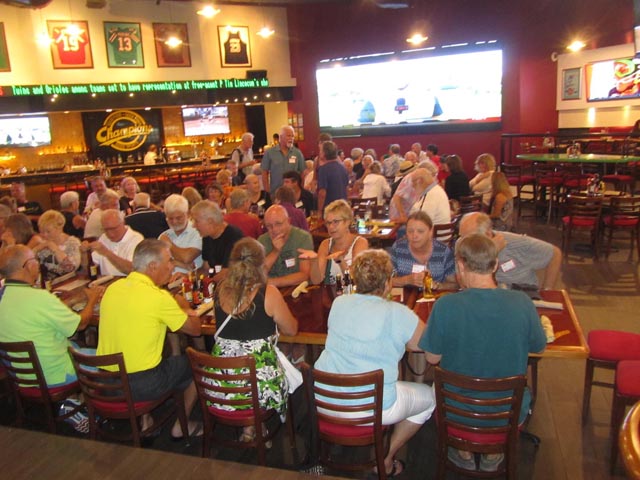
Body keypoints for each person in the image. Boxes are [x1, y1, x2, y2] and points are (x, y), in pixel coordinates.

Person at [420, 233, 546, 472]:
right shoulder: (522, 303)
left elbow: (431, 358)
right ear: (496, 264)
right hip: (506, 416)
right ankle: (494, 451)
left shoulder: (445, 305)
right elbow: (538, 347)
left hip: (455, 415)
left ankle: (463, 450)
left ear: (460, 265)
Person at [314, 249, 435, 477]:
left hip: (324, 399)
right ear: (388, 282)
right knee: (430, 398)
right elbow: (428, 345)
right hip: (373, 406)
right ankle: (385, 460)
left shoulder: (339, 303)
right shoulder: (398, 313)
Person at [97, 239, 202, 439]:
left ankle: (146, 419)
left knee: (146, 355)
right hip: (141, 385)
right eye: (169, 261)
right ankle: (181, 425)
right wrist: (183, 304)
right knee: (198, 363)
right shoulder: (159, 298)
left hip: (105, 383)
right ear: (153, 266)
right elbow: (195, 330)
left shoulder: (113, 288)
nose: (172, 266)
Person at [0, 245, 103, 431]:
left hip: (21, 377)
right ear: (28, 266)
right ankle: (96, 411)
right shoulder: (39, 298)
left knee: (74, 345)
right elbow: (80, 324)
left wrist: (71, 300)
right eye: (35, 261)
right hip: (56, 375)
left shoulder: (4, 297)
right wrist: (92, 299)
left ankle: (72, 403)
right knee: (108, 358)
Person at [208, 238, 298, 441]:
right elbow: (291, 330)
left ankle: (250, 428)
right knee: (280, 367)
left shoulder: (220, 289)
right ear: (262, 263)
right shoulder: (268, 293)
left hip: (220, 387)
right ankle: (256, 425)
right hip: (259, 390)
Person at [459, 212, 561, 290]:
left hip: (520, 294)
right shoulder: (462, 244)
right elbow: (464, 283)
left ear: (488, 234)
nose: (465, 243)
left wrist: (547, 291)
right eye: (462, 237)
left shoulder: (517, 243)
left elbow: (555, 254)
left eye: (472, 239)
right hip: (489, 297)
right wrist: (492, 252)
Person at [298, 199, 368, 285]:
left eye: (336, 222)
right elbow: (317, 280)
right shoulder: (325, 244)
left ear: (347, 222)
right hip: (332, 292)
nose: (331, 227)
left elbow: (356, 281)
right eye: (328, 223)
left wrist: (341, 261)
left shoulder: (360, 243)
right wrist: (314, 261)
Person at [390, 211, 456, 288]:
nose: (414, 235)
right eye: (410, 231)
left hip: (434, 295)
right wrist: (407, 280)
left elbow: (454, 284)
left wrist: (436, 286)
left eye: (420, 231)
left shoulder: (443, 252)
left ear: (431, 232)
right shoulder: (398, 248)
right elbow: (387, 281)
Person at [258, 205, 313, 287]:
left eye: (278, 224)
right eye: (269, 226)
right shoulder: (262, 241)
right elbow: (258, 274)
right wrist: (275, 251)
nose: (274, 229)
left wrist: (272, 282)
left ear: (288, 221)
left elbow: (304, 275)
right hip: (269, 290)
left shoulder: (303, 238)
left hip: (295, 289)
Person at [191, 200, 244, 281]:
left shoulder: (233, 236)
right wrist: (188, 277)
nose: (193, 225)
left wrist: (209, 282)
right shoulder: (207, 236)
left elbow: (227, 273)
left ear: (210, 221)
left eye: (196, 221)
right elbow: (206, 268)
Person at [84, 209, 143, 276]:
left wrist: (106, 252)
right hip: (107, 280)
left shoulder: (136, 239)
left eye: (114, 229)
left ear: (123, 223)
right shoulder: (104, 237)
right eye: (106, 230)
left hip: (128, 281)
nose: (110, 234)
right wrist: (84, 253)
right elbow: (88, 267)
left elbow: (132, 270)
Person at [158, 194, 202, 274]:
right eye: (170, 218)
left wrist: (169, 244)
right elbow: (160, 263)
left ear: (188, 214)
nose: (174, 222)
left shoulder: (198, 232)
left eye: (178, 218)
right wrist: (180, 264)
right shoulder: (163, 235)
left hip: (191, 280)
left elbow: (187, 257)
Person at [32, 210, 81, 278]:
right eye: (42, 232)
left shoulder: (73, 243)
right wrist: (36, 249)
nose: (45, 235)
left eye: (48, 231)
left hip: (69, 281)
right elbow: (29, 266)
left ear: (59, 229)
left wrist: (53, 247)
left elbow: (70, 268)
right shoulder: (42, 244)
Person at [261, 125, 305, 196]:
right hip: (275, 193)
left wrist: (301, 190)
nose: (291, 138)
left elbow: (302, 173)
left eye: (292, 136)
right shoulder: (269, 153)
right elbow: (264, 173)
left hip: (293, 193)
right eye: (288, 136)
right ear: (281, 137)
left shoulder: (297, 153)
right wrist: (268, 191)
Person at [317, 140, 349, 213]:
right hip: (342, 207)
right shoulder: (343, 168)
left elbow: (322, 193)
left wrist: (319, 211)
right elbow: (347, 188)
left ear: (324, 153)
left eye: (320, 150)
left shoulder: (323, 169)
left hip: (330, 209)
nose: (319, 153)